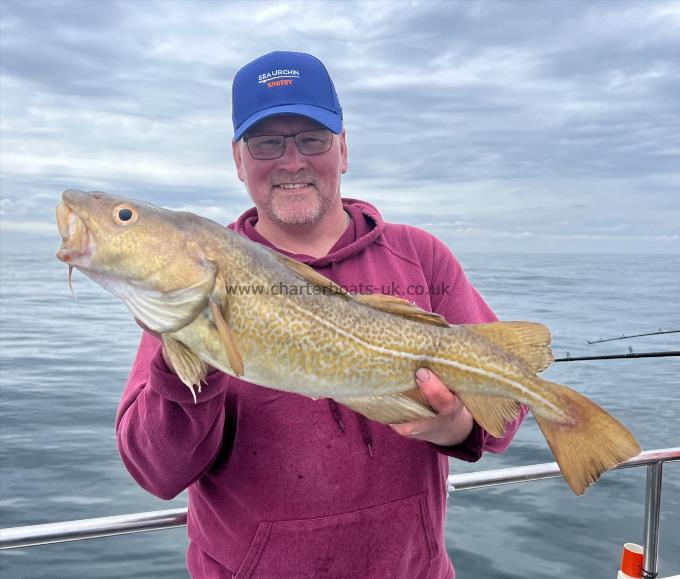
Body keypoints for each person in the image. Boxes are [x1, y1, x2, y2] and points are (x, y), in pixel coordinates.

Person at [116, 51, 527, 578]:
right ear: (238, 160)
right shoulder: (198, 268)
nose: (291, 161)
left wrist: (457, 426)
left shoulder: (420, 257)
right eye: (266, 142)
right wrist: (188, 358)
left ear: (344, 148)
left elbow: (508, 406)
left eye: (312, 139)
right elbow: (157, 471)